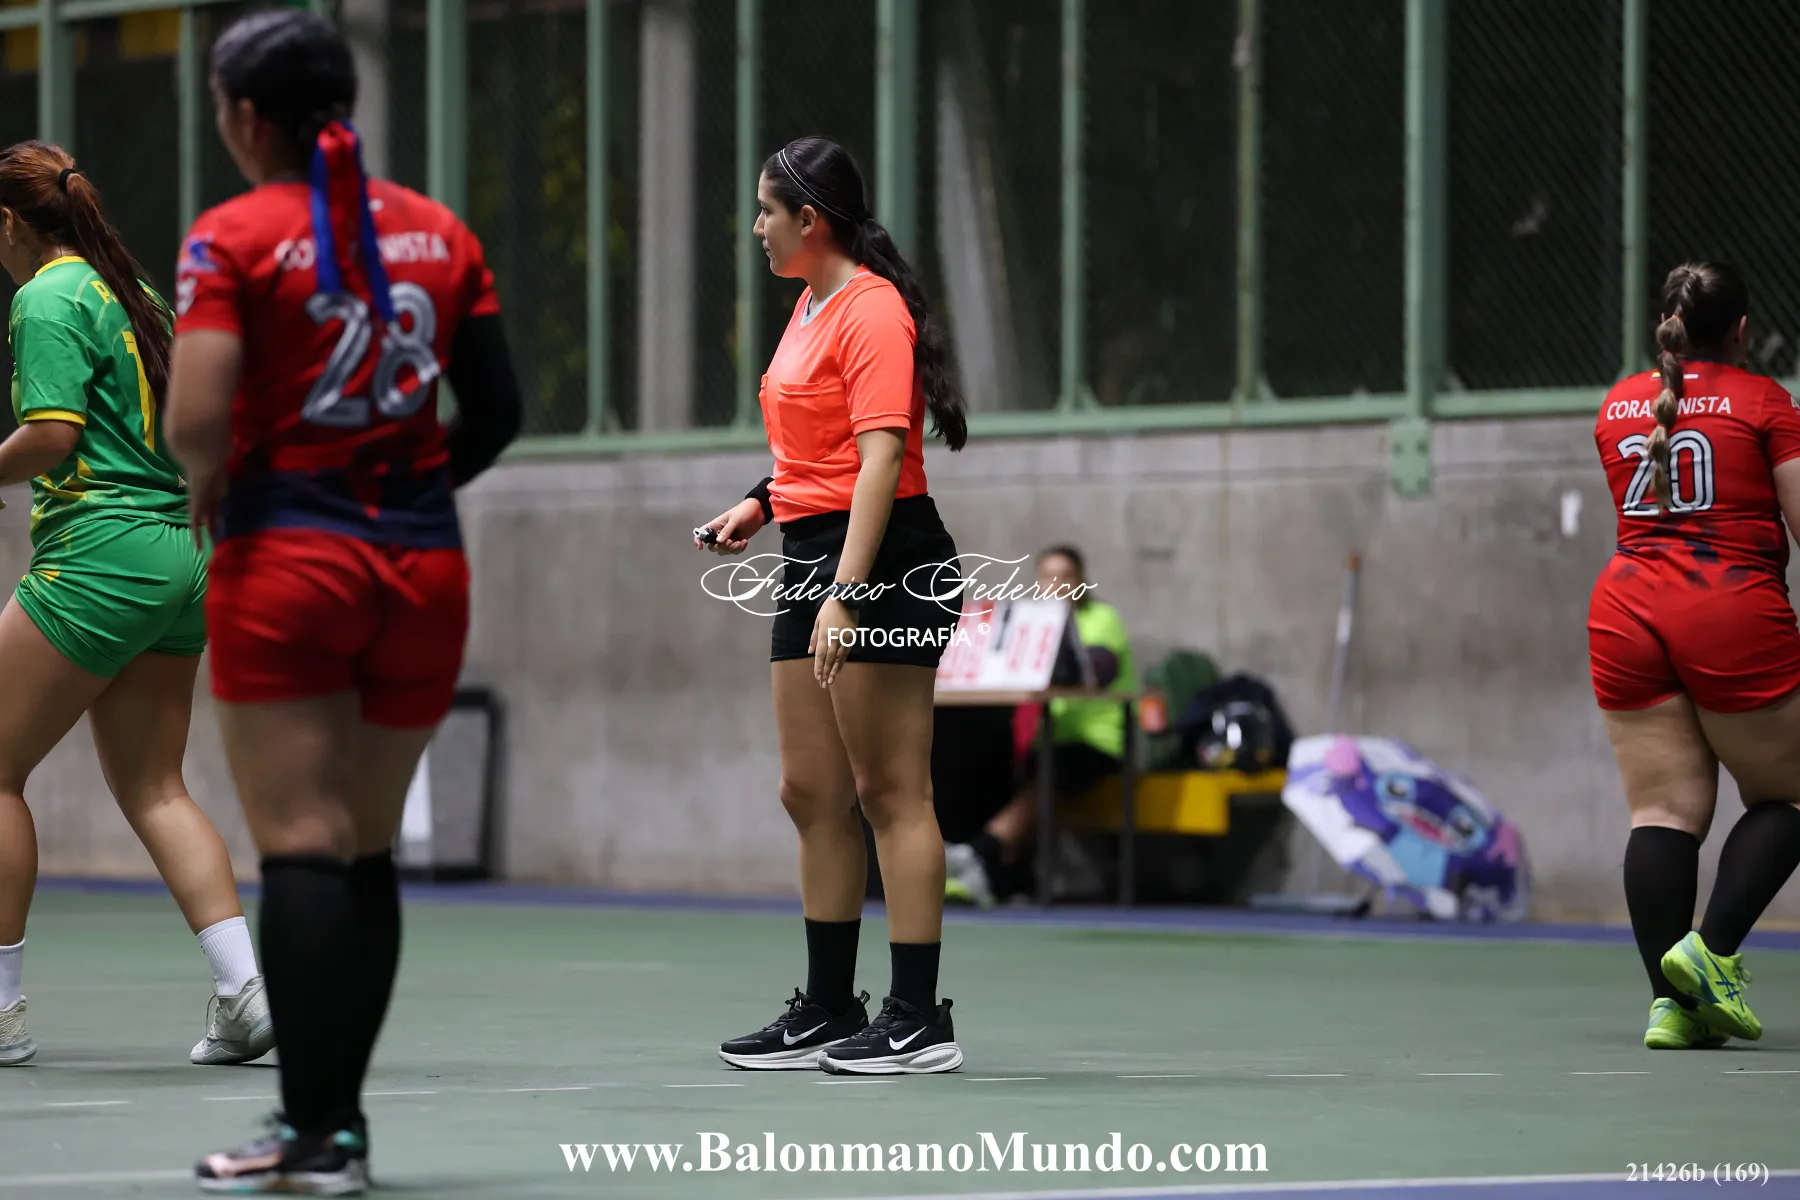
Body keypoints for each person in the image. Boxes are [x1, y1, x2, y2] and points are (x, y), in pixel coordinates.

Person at [164, 10, 520, 1193]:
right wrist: (404, 492)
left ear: (245, 117)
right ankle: (343, 1131)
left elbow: (196, 420)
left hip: (290, 561)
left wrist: (212, 481)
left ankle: (311, 1135)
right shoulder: (439, 230)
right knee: (365, 846)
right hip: (424, 565)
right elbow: (498, 411)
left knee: (301, 844)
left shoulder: (231, 236)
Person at [697, 136, 968, 1075]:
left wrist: (847, 594)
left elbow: (882, 458)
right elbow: (815, 451)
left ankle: (917, 1018)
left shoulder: (872, 309)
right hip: (811, 554)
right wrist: (758, 503)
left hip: (884, 560)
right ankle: (824, 1006)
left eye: (767, 212)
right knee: (810, 791)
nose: (757, 228)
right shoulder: (808, 307)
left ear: (810, 220)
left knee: (891, 793)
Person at [0, 141, 271, 1070]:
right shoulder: (137, 294)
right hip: (183, 557)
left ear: (8, 222)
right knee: (156, 786)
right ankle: (244, 993)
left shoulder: (46, 296)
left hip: (103, 558)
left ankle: (1, 1013)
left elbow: (51, 434)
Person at [1589, 261, 1800, 1051]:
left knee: (1662, 813)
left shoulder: (1618, 404)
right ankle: (1709, 955)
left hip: (1625, 610)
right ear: (1741, 330)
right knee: (1791, 792)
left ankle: (1671, 1007)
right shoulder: (1765, 401)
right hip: (1728, 605)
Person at [944, 545, 1134, 906]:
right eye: (1049, 577)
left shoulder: (1102, 619)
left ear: (1082, 580)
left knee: (1051, 772)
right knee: (986, 762)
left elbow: (1098, 669)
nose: (1058, 584)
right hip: (1048, 738)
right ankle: (992, 876)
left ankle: (978, 854)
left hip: (1098, 743)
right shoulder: (1031, 621)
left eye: (1067, 576)